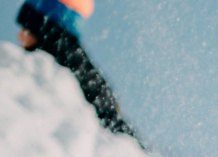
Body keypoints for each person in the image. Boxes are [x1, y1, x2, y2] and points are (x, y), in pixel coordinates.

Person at [16, 0, 135, 139]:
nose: (19, 35)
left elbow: (109, 117)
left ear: (43, 28)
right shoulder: (70, 59)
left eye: (26, 27)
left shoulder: (64, 63)